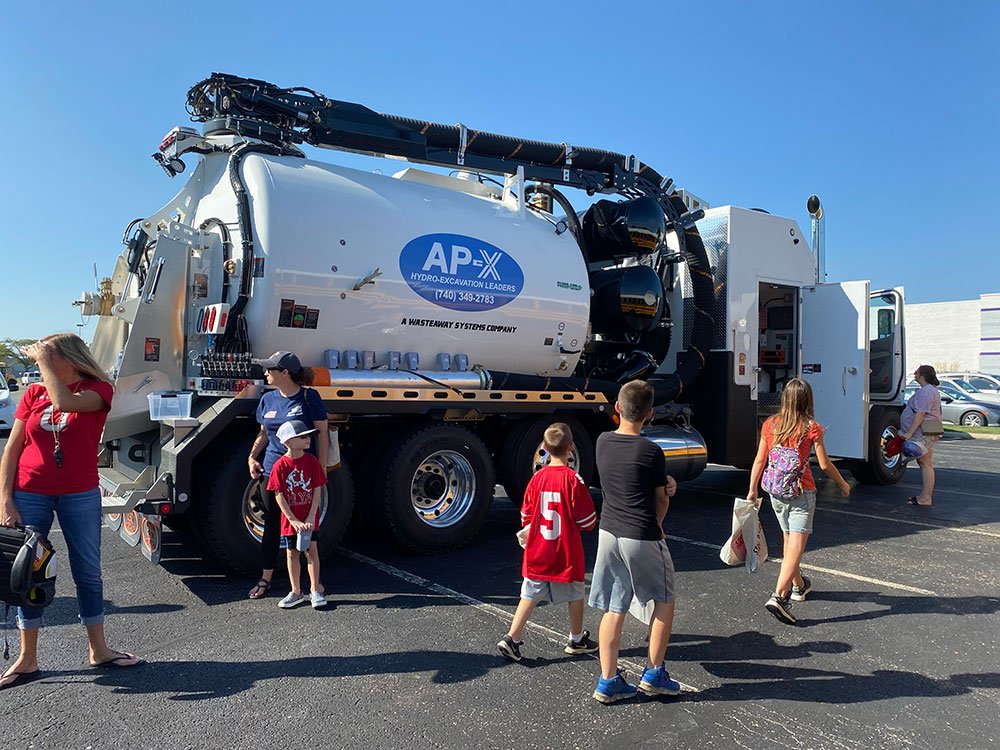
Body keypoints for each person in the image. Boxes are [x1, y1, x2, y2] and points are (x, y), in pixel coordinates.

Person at [0, 334, 144, 691]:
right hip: (30, 492)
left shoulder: (98, 390)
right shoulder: (33, 394)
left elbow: (64, 401)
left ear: (67, 357)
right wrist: (5, 500)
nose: (39, 363)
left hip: (78, 494)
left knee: (87, 572)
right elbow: (12, 450)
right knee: (27, 574)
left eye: (48, 357)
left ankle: (99, 649)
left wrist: (45, 358)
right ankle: (28, 658)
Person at [588, 380, 681, 704]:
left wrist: (661, 485)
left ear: (617, 407)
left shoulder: (601, 442)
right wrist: (664, 501)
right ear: (650, 414)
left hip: (608, 532)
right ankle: (654, 673)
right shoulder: (652, 451)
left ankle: (608, 680)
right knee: (664, 600)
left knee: (615, 606)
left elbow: (623, 479)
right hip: (641, 534)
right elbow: (661, 499)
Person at [747, 377, 850, 625]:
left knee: (788, 541)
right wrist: (843, 484)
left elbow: (760, 460)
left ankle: (799, 585)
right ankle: (778, 596)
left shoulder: (771, 424)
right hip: (802, 492)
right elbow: (824, 464)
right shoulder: (811, 427)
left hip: (776, 491)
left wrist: (752, 490)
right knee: (797, 546)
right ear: (807, 400)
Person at [497, 423, 599, 662]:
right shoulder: (574, 480)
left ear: (543, 447)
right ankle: (576, 638)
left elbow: (526, 516)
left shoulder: (536, 478)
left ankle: (513, 636)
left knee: (529, 594)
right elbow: (588, 521)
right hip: (565, 551)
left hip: (538, 549)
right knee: (575, 593)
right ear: (571, 448)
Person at [246, 352, 328, 600]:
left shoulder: (308, 397)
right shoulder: (268, 399)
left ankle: (315, 585)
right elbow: (263, 433)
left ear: (285, 373)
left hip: (303, 473)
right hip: (273, 471)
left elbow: (322, 433)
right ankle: (266, 577)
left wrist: (321, 469)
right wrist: (252, 456)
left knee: (308, 527)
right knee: (272, 526)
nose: (266, 374)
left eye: (270, 370)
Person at [267, 420, 328, 609]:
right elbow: (279, 494)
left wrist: (311, 516)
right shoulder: (280, 466)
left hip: (309, 518)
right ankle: (295, 591)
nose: (308, 439)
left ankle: (315, 590)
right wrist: (293, 520)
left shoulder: (312, 462)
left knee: (312, 552)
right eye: (302, 436)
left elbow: (318, 489)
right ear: (288, 442)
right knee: (292, 553)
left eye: (308, 435)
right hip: (290, 521)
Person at [901, 365, 943, 508]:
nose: (914, 374)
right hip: (930, 428)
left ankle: (926, 498)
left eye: (916, 372)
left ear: (922, 374)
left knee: (925, 463)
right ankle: (925, 495)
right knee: (925, 462)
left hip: (925, 430)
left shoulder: (926, 392)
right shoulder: (930, 390)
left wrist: (909, 433)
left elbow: (920, 414)